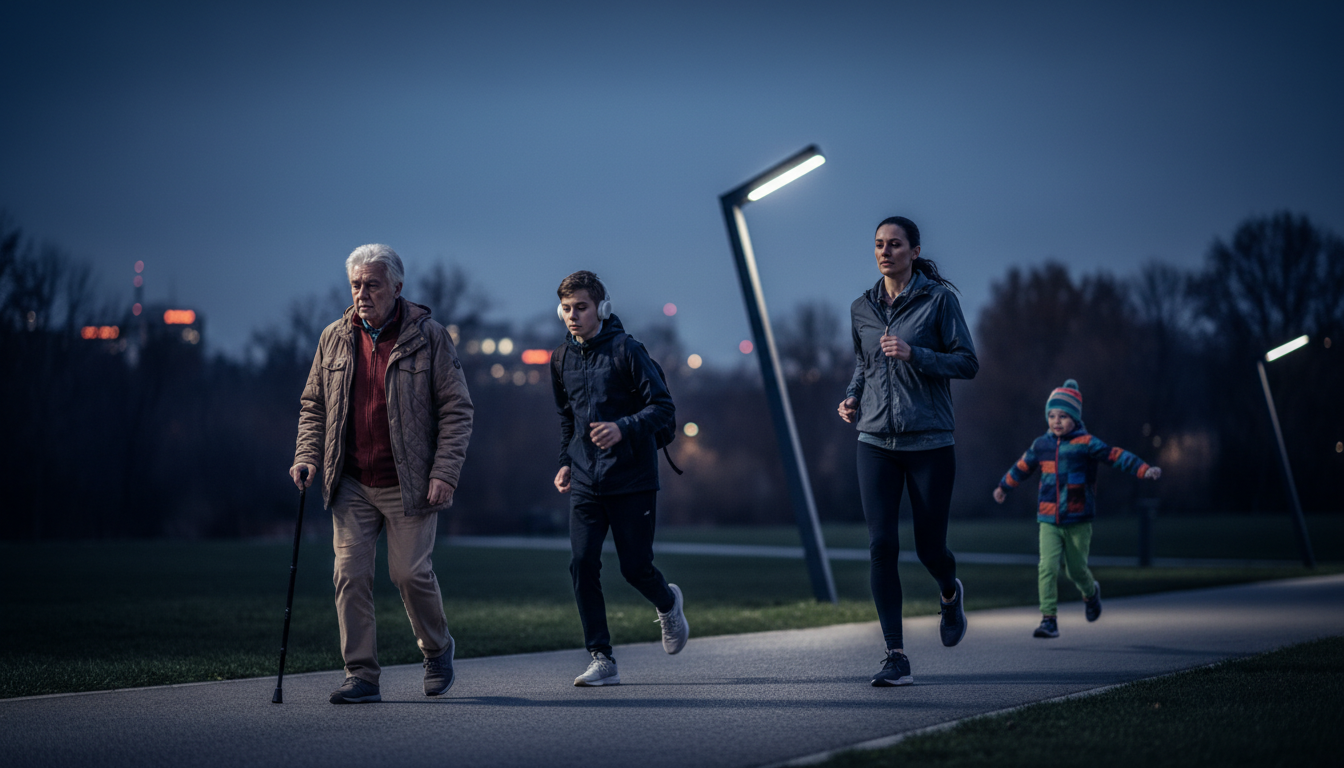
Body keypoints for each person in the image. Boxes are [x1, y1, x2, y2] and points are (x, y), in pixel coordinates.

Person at [291, 244, 474, 704]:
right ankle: (361, 675)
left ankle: (437, 649)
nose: (362, 293)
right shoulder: (333, 337)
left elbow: (457, 410)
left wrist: (445, 472)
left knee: (409, 573)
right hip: (351, 480)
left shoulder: (429, 337)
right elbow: (314, 406)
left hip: (409, 482)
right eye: (355, 285)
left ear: (397, 287)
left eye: (372, 284)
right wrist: (307, 456)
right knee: (349, 576)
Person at [837, 216, 979, 687]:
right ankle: (895, 655)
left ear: (914, 252)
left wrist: (916, 354)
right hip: (875, 442)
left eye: (895, 244)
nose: (885, 251)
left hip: (930, 442)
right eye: (879, 244)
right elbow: (864, 364)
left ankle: (949, 592)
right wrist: (852, 397)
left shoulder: (939, 301)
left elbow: (967, 362)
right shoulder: (861, 307)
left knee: (929, 548)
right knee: (881, 546)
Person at [551, 270, 688, 687]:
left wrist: (623, 428)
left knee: (635, 567)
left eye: (581, 307)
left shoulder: (627, 350)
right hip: (586, 481)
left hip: (632, 479)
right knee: (582, 563)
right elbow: (567, 419)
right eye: (567, 308)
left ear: (602, 308)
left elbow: (663, 408)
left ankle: (668, 602)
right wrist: (565, 461)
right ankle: (601, 657)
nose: (573, 316)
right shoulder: (560, 359)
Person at [993, 379, 1161, 638]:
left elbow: (1115, 456)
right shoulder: (1041, 445)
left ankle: (1091, 593)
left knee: (1075, 570)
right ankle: (1049, 619)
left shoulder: (1086, 443)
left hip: (1078, 518)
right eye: (1052, 415)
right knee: (1047, 567)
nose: (1056, 421)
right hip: (1048, 518)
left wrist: (1143, 469)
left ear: (1075, 418)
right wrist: (1004, 486)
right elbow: (1022, 467)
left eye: (1063, 416)